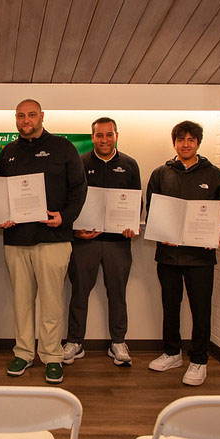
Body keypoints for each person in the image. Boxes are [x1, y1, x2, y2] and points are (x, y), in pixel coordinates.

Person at [0, 99, 87, 384]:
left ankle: (51, 357)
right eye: (21, 115)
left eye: (31, 115)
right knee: (21, 302)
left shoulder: (63, 147)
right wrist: (3, 214)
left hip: (54, 238)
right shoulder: (8, 152)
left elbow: (79, 188)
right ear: (16, 119)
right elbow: (0, 192)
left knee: (51, 303)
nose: (26, 120)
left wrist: (65, 217)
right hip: (16, 241)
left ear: (42, 116)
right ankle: (23, 353)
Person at [145, 121, 220, 386]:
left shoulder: (213, 174)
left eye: (191, 140)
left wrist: (219, 228)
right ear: (174, 143)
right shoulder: (161, 173)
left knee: (200, 308)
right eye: (181, 139)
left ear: (198, 143)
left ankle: (198, 360)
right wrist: (161, 232)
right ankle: (172, 353)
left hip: (201, 256)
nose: (186, 144)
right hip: (168, 255)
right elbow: (152, 209)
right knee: (170, 306)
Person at [64, 117, 141, 367]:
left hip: (118, 243)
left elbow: (136, 202)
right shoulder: (80, 162)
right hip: (84, 242)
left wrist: (132, 224)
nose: (104, 140)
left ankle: (118, 342)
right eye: (99, 135)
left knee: (117, 293)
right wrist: (75, 232)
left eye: (109, 135)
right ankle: (75, 342)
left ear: (117, 135)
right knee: (79, 293)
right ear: (92, 137)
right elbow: (71, 200)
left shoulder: (129, 164)